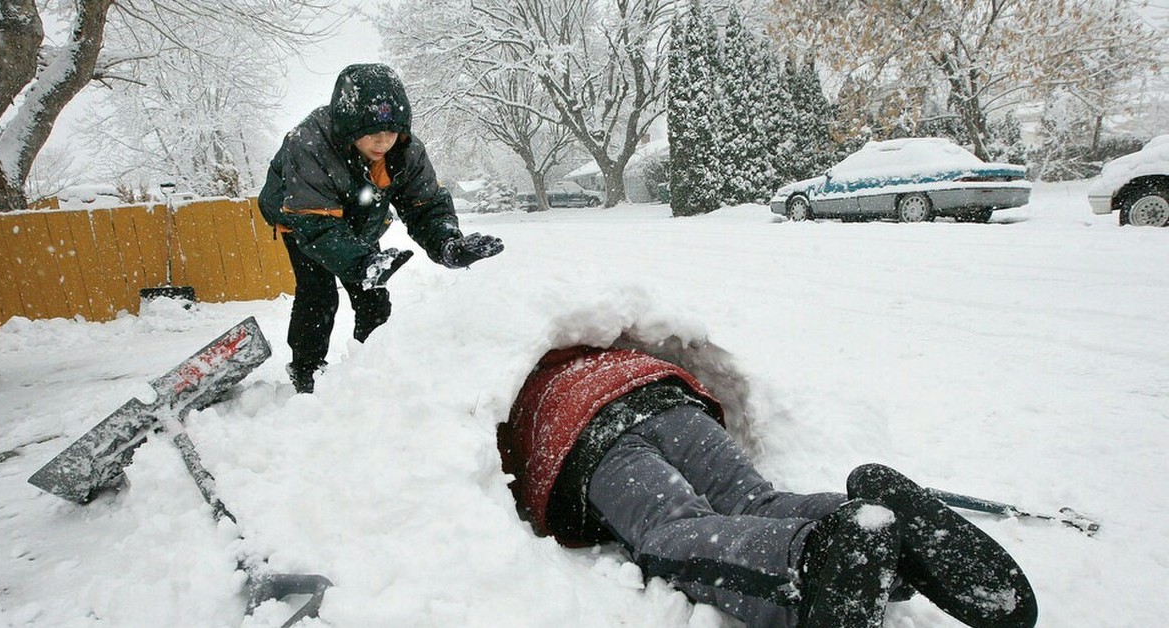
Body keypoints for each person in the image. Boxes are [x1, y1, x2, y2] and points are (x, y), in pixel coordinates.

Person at [498, 346, 1038, 628]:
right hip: (661, 390)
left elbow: (485, 464)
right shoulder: (603, 348)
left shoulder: (516, 378)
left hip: (585, 435)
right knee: (758, 501)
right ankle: (868, 518)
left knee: (671, 530)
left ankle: (810, 560)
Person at [259, 64, 503, 393]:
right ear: (348, 125)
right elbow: (315, 224)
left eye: (391, 131)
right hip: (303, 217)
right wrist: (360, 263)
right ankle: (307, 369)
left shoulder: (405, 151)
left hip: (360, 220)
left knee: (374, 295)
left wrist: (448, 244)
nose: (383, 140)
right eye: (372, 130)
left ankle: (370, 363)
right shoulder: (308, 143)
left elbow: (425, 205)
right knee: (318, 295)